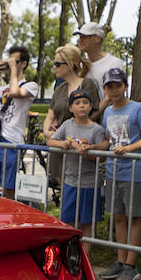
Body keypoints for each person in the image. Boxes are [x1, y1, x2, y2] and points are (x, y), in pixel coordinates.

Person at [97, 67, 141, 280]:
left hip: (135, 171)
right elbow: (107, 140)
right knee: (119, 216)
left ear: (125, 86)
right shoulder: (108, 112)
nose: (114, 90)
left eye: (118, 85)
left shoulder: (138, 109)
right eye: (109, 86)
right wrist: (93, 148)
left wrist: (129, 148)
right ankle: (121, 261)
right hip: (114, 170)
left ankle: (131, 265)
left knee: (135, 216)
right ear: (105, 89)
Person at [46, 88, 108, 236]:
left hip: (90, 184)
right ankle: (70, 253)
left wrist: (87, 153)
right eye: (77, 103)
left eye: (85, 102)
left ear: (90, 106)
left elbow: (102, 158)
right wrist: (63, 144)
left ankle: (85, 254)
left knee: (87, 223)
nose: (81, 105)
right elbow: (51, 141)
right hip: (70, 182)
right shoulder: (67, 125)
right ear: (70, 108)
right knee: (68, 221)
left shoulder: (96, 130)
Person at [0, 46, 39, 197]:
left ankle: (9, 218)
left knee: (9, 188)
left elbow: (14, 93)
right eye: (10, 61)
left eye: (16, 61)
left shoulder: (30, 86)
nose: (11, 64)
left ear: (24, 64)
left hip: (11, 141)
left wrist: (13, 70)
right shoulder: (1, 89)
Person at [42, 44, 100, 196]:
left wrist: (75, 130)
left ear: (69, 65)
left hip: (79, 149)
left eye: (57, 64)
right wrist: (47, 132)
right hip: (60, 146)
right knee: (64, 191)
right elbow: (50, 115)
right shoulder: (59, 89)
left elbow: (95, 113)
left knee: (79, 191)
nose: (54, 67)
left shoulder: (87, 85)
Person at [75, 22, 122, 109]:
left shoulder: (114, 64)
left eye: (84, 37)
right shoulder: (81, 66)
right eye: (79, 37)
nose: (79, 40)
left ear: (97, 39)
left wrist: (92, 118)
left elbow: (111, 98)